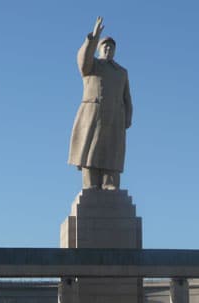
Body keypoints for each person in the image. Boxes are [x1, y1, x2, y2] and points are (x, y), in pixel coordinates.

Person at [68, 16, 133, 190]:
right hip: (93, 114)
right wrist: (93, 37)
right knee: (90, 150)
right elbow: (83, 59)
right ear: (98, 49)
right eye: (105, 46)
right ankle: (90, 184)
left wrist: (128, 116)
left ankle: (110, 183)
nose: (108, 49)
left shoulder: (121, 72)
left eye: (111, 47)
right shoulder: (92, 66)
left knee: (112, 151)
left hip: (114, 118)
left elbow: (127, 97)